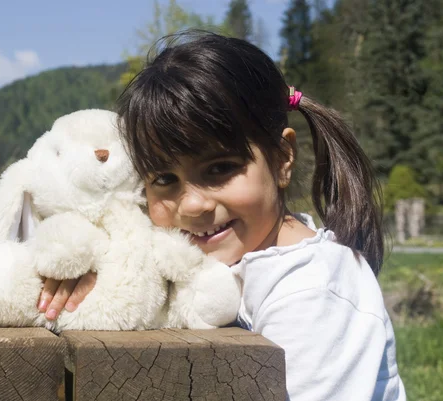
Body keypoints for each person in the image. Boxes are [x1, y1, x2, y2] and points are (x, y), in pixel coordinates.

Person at [38, 32, 406, 400]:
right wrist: (98, 273)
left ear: (282, 158)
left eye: (219, 169)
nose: (193, 205)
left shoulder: (312, 292)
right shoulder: (210, 257)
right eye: (164, 179)